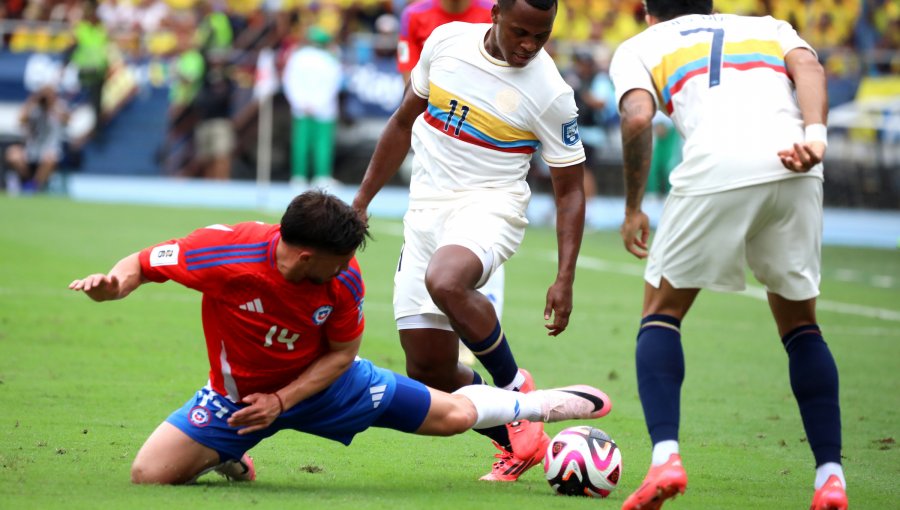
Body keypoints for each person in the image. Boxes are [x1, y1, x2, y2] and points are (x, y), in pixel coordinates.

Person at [67, 190, 611, 485]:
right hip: (235, 400)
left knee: (455, 418)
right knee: (149, 475)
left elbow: (344, 352)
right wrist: (113, 286)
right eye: (338, 260)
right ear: (305, 256)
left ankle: (537, 404)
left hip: (330, 386)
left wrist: (282, 399)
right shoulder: (223, 253)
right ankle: (230, 457)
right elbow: (140, 264)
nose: (348, 270)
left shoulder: (343, 280)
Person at [610, 2, 846, 509]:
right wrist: (816, 138)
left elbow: (636, 120)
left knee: (662, 314)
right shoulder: (767, 26)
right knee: (801, 325)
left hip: (718, 161)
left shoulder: (640, 46)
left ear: (650, 12)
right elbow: (809, 66)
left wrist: (633, 208)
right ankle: (830, 478)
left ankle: (665, 460)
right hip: (798, 161)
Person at [352, 0, 589, 482]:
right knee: (428, 371)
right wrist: (361, 202)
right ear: (496, 12)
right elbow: (401, 123)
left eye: (541, 36)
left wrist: (564, 277)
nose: (529, 45)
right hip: (425, 214)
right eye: (521, 31)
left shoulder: (551, 93)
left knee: (447, 279)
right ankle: (517, 441)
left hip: (491, 206)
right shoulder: (446, 43)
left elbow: (570, 192)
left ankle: (516, 387)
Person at [396, 0, 502, 367]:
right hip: (434, 139)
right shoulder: (415, 15)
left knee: (481, 231)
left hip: (485, 144)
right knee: (429, 225)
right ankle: (436, 327)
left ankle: (479, 332)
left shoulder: (496, 11)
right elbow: (411, 78)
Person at [282, 26, 342, 189]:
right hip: (323, 108)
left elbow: (289, 81)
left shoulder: (296, 57)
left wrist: (300, 102)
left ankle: (298, 176)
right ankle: (321, 177)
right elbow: (333, 85)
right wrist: (317, 103)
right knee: (322, 144)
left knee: (301, 143)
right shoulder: (330, 59)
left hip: (302, 107)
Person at [4, 85, 69, 194]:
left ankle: (35, 186)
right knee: (12, 154)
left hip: (49, 150)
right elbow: (21, 119)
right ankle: (27, 182)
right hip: (31, 150)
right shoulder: (34, 108)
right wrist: (33, 100)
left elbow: (67, 120)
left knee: (50, 158)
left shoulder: (58, 107)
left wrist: (52, 106)